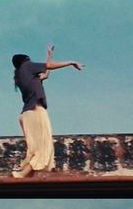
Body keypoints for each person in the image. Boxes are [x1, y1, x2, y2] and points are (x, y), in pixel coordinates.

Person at [11, 45, 83, 178]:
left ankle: (26, 174)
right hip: (35, 111)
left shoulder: (23, 75)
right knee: (43, 147)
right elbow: (49, 66)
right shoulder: (27, 66)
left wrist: (49, 54)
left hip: (27, 114)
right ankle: (22, 174)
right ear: (25, 60)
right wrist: (70, 62)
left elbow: (46, 74)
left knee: (37, 147)